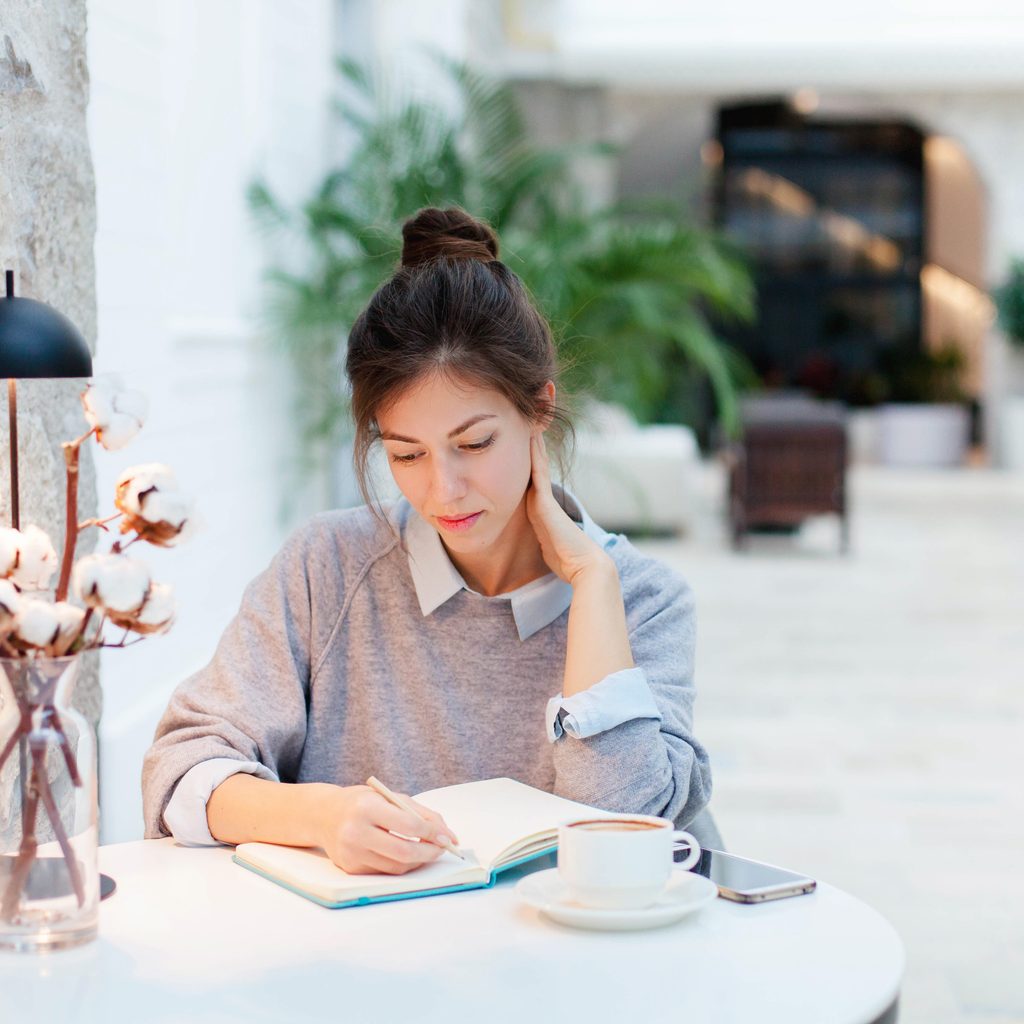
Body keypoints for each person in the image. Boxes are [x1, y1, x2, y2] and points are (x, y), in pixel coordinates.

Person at [142, 206, 720, 876]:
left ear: (539, 409)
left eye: (473, 444)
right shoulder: (325, 568)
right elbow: (178, 773)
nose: (443, 490)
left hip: (562, 969)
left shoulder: (644, 601)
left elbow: (623, 827)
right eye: (407, 455)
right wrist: (323, 817)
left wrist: (591, 583)